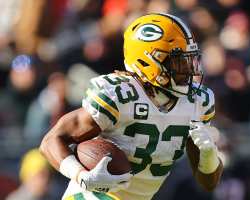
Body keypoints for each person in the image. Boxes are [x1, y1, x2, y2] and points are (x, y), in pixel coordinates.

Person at [40, 13, 223, 200]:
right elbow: (51, 141)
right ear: (147, 61)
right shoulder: (120, 95)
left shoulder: (197, 102)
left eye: (188, 59)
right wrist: (81, 175)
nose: (187, 69)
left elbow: (209, 183)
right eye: (177, 61)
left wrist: (209, 156)